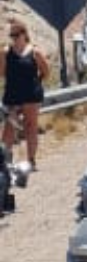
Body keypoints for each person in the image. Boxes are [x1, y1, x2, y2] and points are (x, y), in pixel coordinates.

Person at [0, 19, 49, 170]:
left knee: (30, 127)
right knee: (9, 128)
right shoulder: (5, 52)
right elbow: (2, 73)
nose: (14, 37)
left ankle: (31, 161)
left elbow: (46, 72)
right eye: (12, 35)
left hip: (31, 95)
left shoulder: (35, 52)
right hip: (13, 95)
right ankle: (4, 162)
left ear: (24, 34)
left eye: (16, 34)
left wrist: (36, 83)